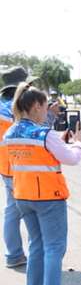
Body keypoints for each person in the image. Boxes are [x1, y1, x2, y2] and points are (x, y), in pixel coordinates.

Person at [5, 83, 81, 285]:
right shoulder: (44, 133)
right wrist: (79, 142)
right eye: (46, 105)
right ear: (37, 106)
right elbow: (71, 158)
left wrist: (60, 141)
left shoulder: (11, 132)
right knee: (54, 247)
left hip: (23, 195)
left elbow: (36, 155)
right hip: (48, 197)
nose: (49, 109)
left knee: (37, 244)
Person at [0, 67, 35, 268]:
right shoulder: (14, 110)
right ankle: (27, 255)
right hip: (21, 166)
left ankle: (14, 254)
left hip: (6, 166)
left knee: (12, 210)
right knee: (31, 211)